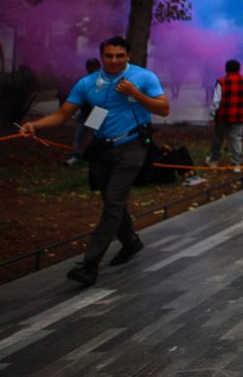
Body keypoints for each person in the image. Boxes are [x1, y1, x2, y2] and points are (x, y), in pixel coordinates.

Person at [19, 35, 170, 287]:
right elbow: (61, 115)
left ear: (128, 56)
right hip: (101, 149)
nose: (114, 60)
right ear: (101, 57)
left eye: (119, 56)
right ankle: (131, 242)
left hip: (132, 146)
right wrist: (34, 125)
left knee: (113, 202)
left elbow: (163, 109)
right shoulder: (87, 83)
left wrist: (135, 94)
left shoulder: (144, 77)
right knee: (112, 201)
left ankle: (89, 265)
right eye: (109, 56)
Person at [207, 59, 243, 172]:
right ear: (239, 69)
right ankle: (237, 164)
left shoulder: (222, 82)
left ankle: (214, 161)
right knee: (236, 139)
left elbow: (216, 101)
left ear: (226, 69)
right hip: (238, 115)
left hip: (222, 116)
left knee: (218, 138)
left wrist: (211, 116)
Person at [65, 57, 102, 166]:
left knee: (98, 136)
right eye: (90, 67)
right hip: (85, 111)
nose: (92, 69)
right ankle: (75, 156)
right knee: (79, 135)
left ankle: (97, 156)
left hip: (97, 112)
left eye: (94, 67)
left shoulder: (103, 80)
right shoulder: (84, 81)